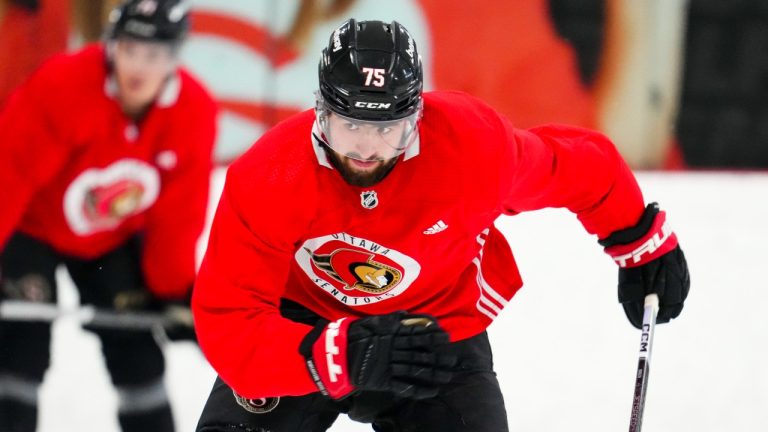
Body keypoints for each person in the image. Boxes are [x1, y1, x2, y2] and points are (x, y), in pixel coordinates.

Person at [192, 19, 690, 432]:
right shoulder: (270, 174)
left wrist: (639, 239)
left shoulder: (471, 147)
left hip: (430, 327)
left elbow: (579, 168)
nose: (366, 149)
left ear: (416, 116)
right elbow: (228, 320)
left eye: (387, 128)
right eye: (350, 125)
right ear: (320, 113)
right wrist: (339, 354)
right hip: (303, 325)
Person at [0, 0, 217, 430]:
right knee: (20, 349)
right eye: (129, 49)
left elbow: (178, 215)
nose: (138, 66)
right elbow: (10, 175)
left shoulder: (193, 110)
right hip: (31, 229)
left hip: (110, 239)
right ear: (111, 46)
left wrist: (174, 292)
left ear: (174, 58)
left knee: (136, 351)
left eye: (153, 55)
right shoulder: (64, 85)